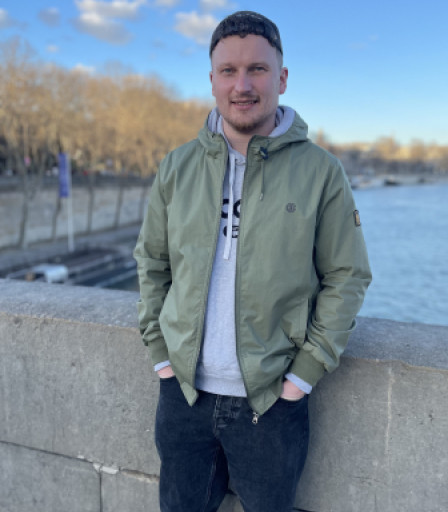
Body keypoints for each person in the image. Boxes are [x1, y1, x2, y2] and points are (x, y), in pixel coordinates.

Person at [134, 10, 371, 512]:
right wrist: (161, 354)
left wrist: (301, 377)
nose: (242, 85)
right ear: (212, 80)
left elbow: (347, 275)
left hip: (271, 402)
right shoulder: (176, 167)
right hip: (183, 396)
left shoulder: (321, 172)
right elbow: (153, 262)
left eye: (257, 69)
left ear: (281, 78)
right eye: (229, 71)